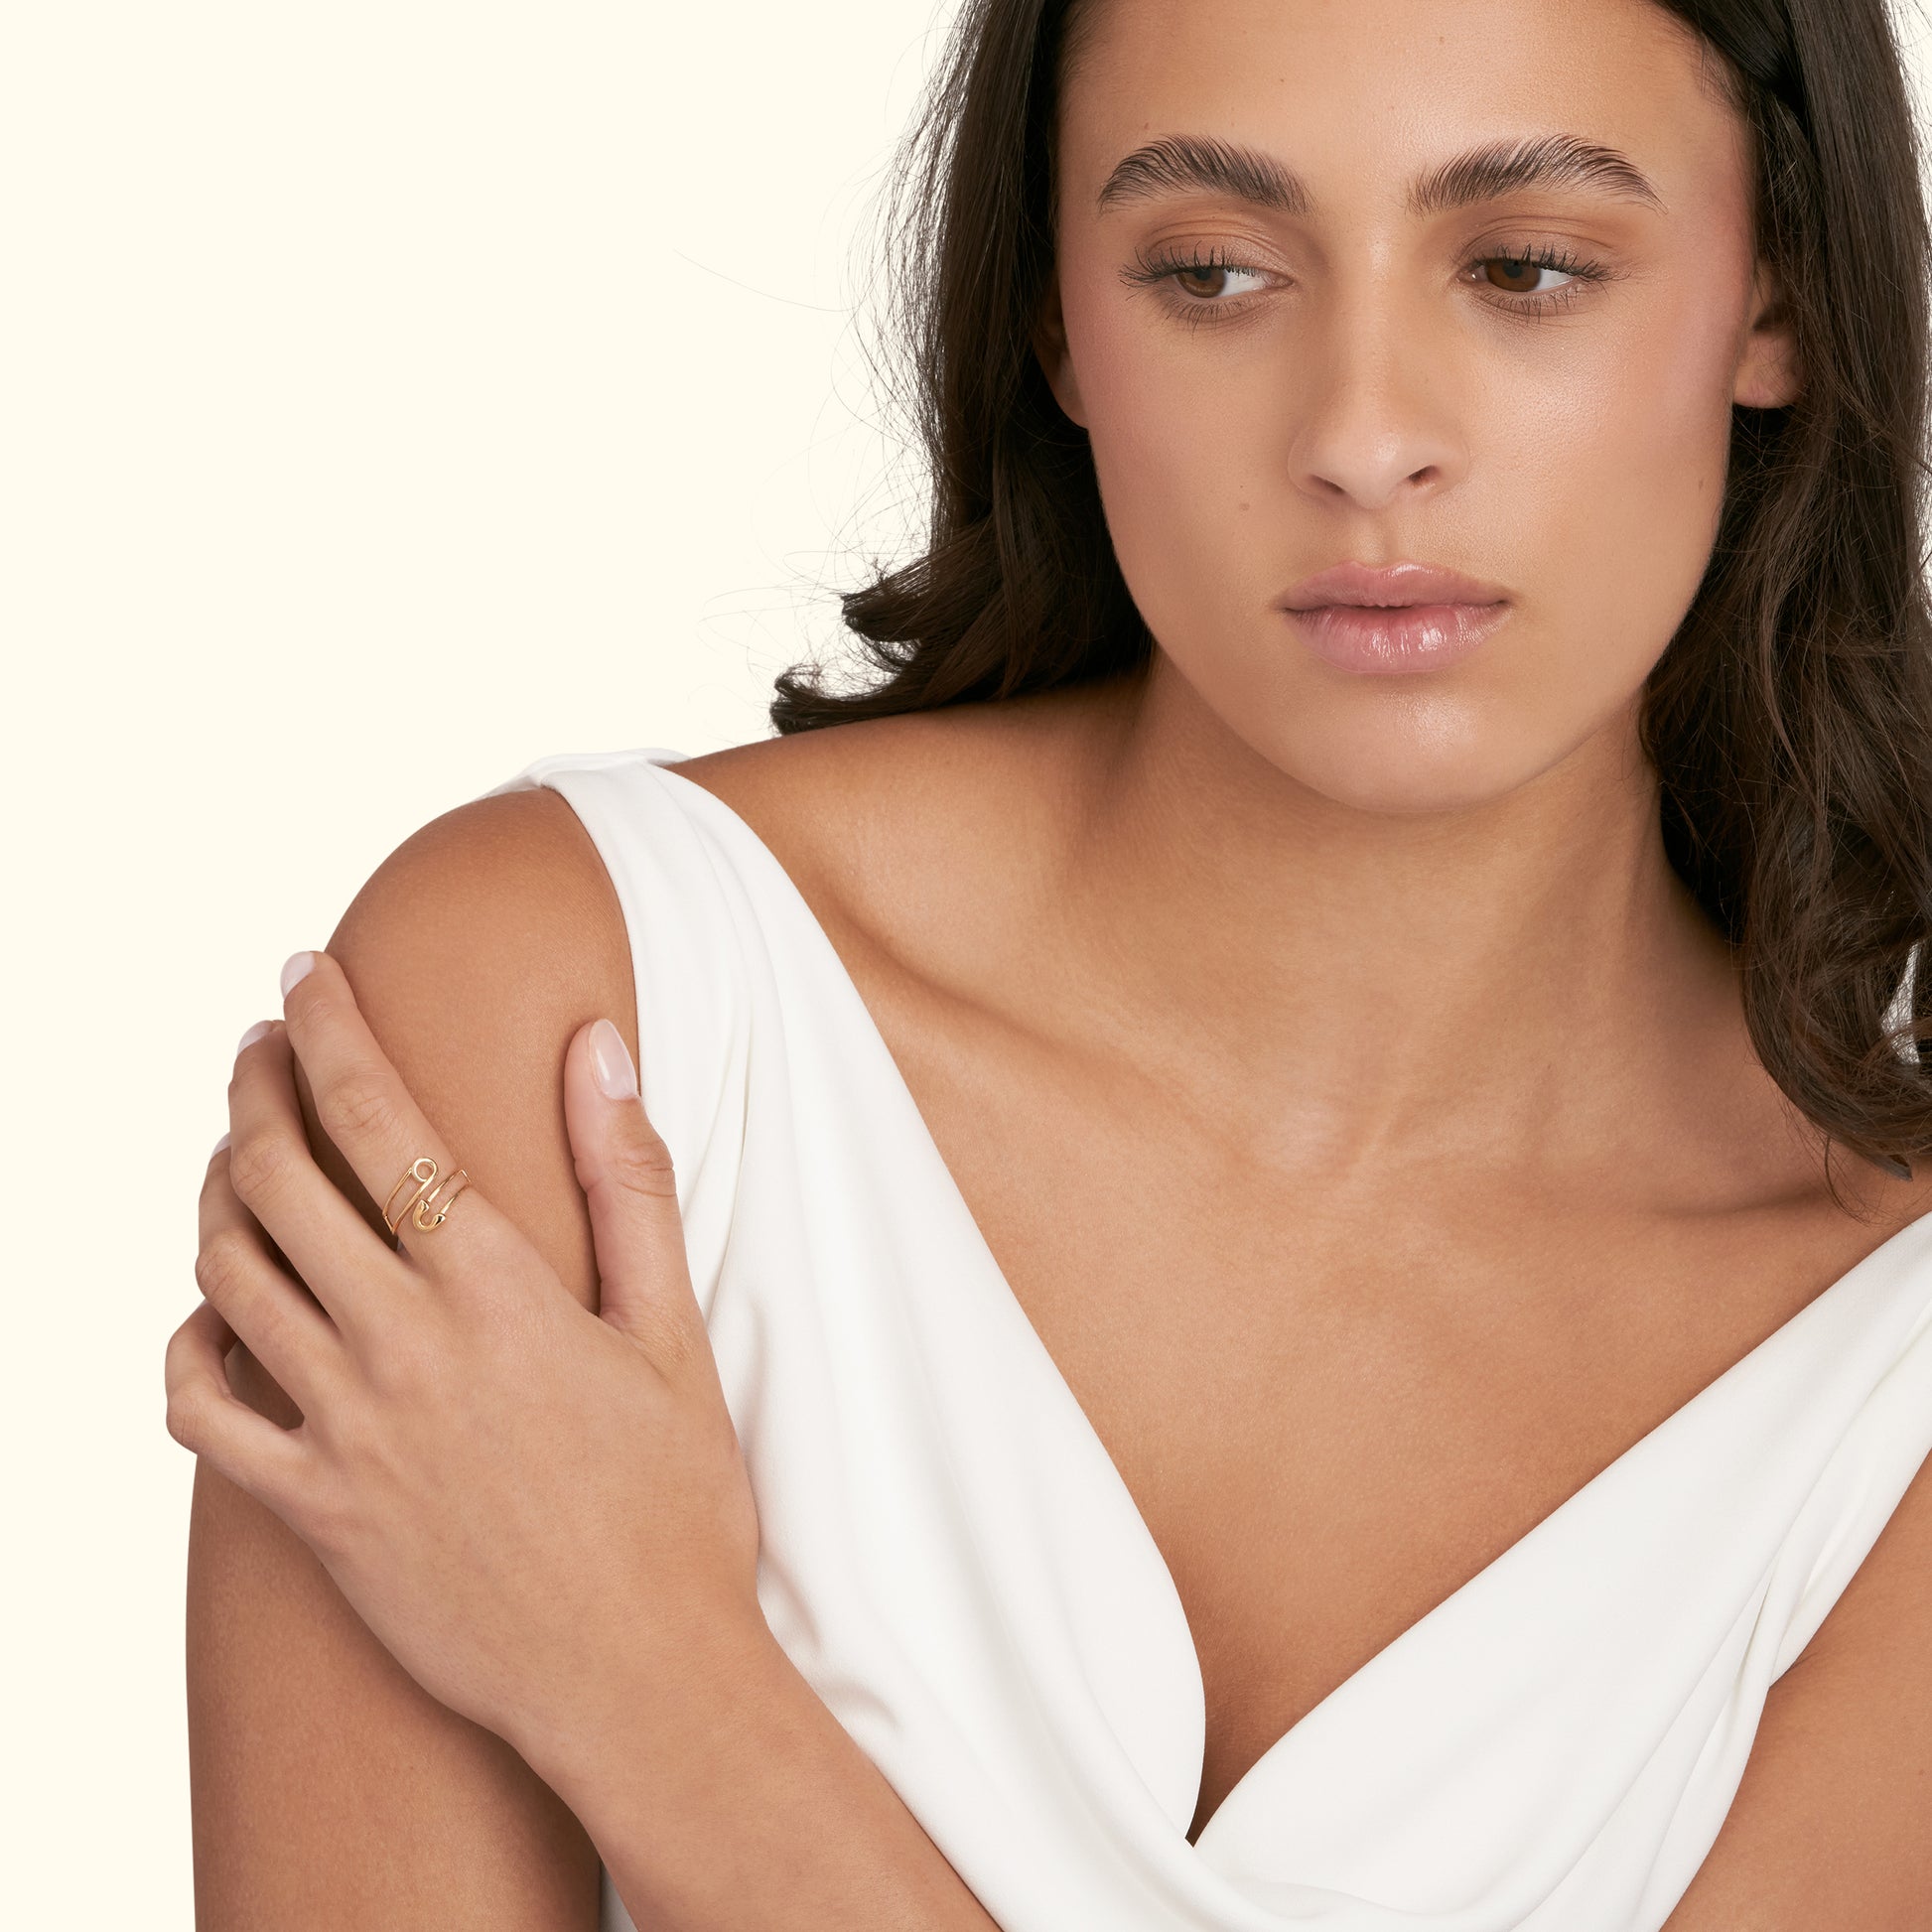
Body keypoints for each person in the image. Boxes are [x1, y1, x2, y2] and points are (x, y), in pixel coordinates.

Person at [168, 0, 1932, 1925]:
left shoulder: (1879, 1382)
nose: (1363, 436)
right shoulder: (585, 1025)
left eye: (1521, 266)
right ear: (1054, 316)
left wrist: (663, 1700)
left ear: (1778, 290)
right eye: (1211, 271)